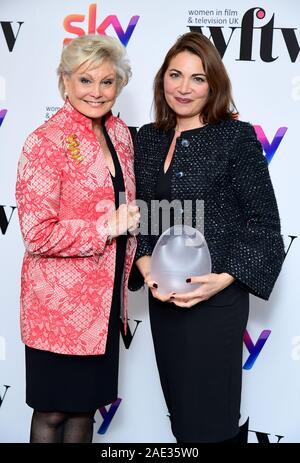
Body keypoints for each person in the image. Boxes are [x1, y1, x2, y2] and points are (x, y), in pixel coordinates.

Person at [131, 32, 285, 443]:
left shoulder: (235, 137)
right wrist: (145, 265)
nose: (184, 87)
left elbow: (263, 221)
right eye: (175, 75)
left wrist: (225, 279)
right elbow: (143, 215)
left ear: (214, 85)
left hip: (216, 303)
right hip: (163, 299)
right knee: (183, 419)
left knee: (212, 422)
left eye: (198, 78)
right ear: (162, 79)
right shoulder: (147, 138)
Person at [15, 34, 139, 443]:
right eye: (85, 80)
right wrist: (106, 227)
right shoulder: (45, 141)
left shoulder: (120, 135)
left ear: (118, 85)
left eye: (107, 82)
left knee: (84, 411)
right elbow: (37, 233)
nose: (97, 92)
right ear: (65, 81)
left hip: (103, 307)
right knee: (51, 413)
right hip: (58, 307)